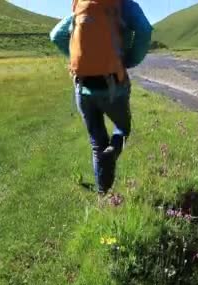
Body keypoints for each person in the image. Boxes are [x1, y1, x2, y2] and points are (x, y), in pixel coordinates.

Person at [50, 0, 152, 195]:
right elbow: (144, 31)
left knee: (97, 143)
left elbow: (56, 36)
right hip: (113, 86)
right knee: (122, 128)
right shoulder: (123, 4)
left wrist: (76, 59)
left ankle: (103, 195)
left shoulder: (83, 5)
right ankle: (113, 152)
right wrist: (128, 60)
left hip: (83, 86)